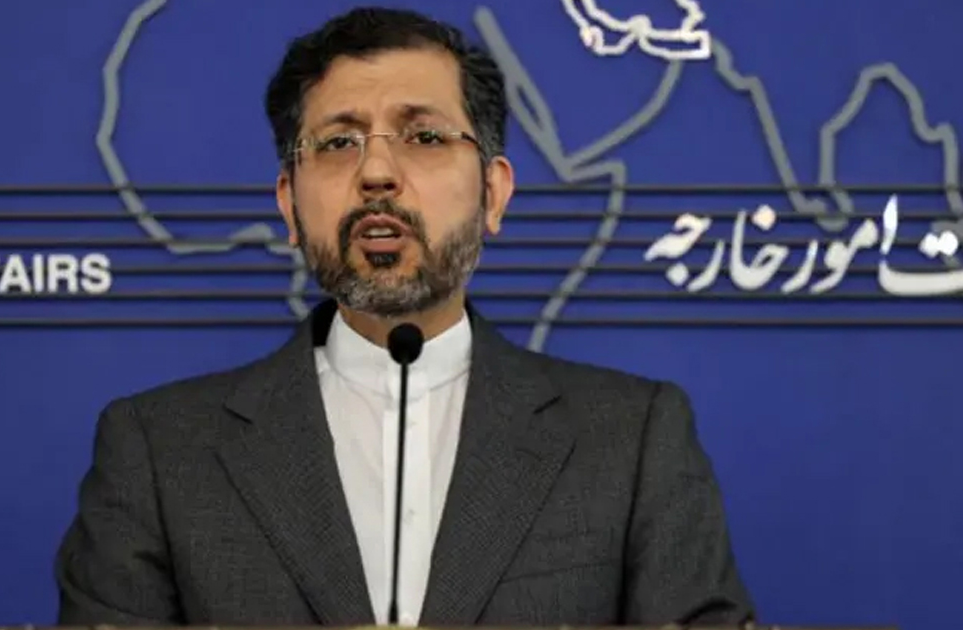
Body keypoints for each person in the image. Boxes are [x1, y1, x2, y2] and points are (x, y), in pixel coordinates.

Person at [54, 6, 755, 626]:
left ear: (493, 194)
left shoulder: (633, 441)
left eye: (423, 137)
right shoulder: (158, 452)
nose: (377, 174)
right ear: (289, 204)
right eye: (339, 142)